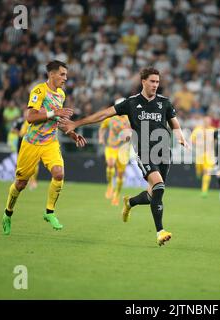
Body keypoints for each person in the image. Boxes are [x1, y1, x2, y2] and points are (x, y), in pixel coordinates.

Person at [60, 67, 189, 246]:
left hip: (163, 153)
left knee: (154, 195)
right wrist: (77, 123)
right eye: (152, 81)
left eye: (157, 82)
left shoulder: (164, 102)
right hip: (145, 152)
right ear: (143, 81)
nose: (155, 85)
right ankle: (160, 231)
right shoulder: (131, 103)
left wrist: (180, 135)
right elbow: (104, 114)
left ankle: (130, 202)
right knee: (158, 186)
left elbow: (174, 123)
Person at [2, 60, 87, 235]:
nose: (65, 78)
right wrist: (54, 112)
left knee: (59, 173)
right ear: (52, 74)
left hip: (50, 142)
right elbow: (30, 117)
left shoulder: (61, 95)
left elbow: (58, 120)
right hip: (31, 143)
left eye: (65, 74)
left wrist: (72, 133)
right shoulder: (39, 91)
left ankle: (49, 212)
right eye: (62, 74)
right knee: (21, 183)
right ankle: (7, 213)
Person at [98, 103, 131, 206]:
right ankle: (110, 186)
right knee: (110, 163)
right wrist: (101, 137)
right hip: (111, 147)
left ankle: (116, 195)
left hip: (123, 149)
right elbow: (103, 127)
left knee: (120, 174)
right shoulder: (110, 118)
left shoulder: (129, 118)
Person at [190, 115, 216, 198]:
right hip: (200, 153)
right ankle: (198, 172)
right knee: (199, 166)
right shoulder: (198, 129)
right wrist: (198, 143)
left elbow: (218, 140)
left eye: (208, 121)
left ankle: (204, 191)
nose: (207, 122)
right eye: (205, 121)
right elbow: (192, 140)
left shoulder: (213, 130)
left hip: (209, 155)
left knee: (207, 171)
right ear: (203, 121)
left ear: (210, 122)